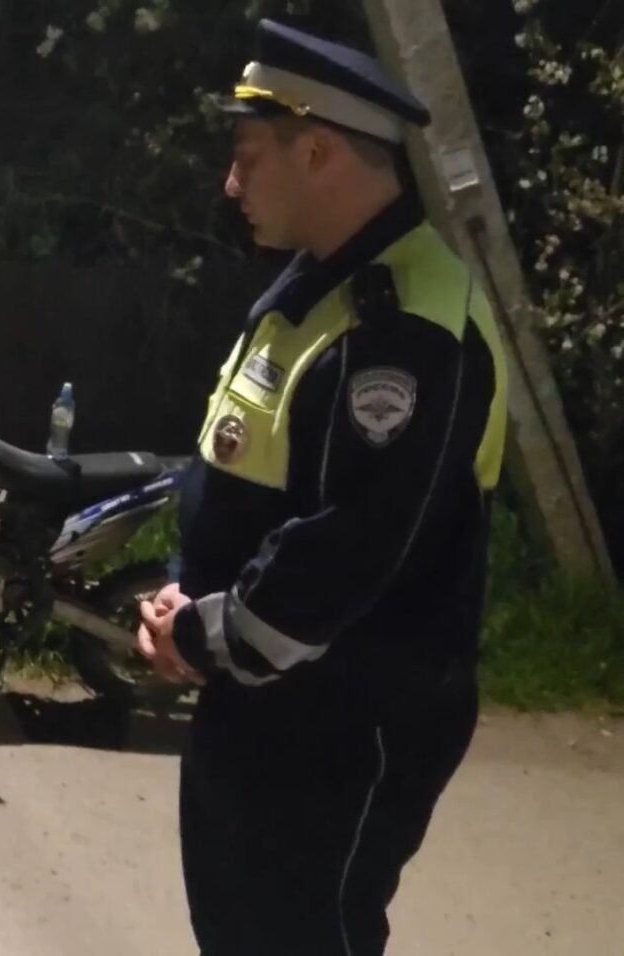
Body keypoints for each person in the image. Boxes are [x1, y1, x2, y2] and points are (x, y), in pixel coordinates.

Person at [137, 19, 508, 956]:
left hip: (341, 719)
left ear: (317, 152)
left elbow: (346, 550)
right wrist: (189, 595)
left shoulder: (407, 331)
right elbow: (240, 470)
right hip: (264, 696)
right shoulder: (324, 289)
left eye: (248, 157)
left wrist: (197, 633)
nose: (232, 185)